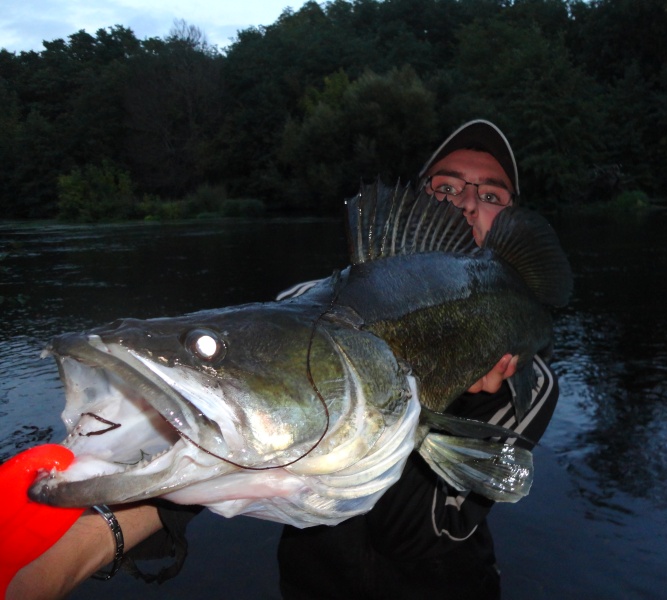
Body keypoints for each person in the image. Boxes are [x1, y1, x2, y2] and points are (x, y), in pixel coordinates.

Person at [7, 120, 561, 600]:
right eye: (447, 188)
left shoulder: (530, 383)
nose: (467, 202)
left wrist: (457, 396)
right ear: (418, 200)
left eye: (491, 195)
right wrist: (61, 563)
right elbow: (217, 443)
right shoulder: (302, 307)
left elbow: (418, 538)